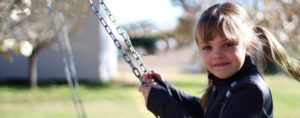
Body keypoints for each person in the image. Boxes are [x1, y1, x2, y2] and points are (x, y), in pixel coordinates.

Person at [138, 2, 300, 118]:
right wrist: (168, 90)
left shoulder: (250, 91)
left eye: (228, 44)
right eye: (207, 47)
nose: (217, 54)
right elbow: (207, 110)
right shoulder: (227, 83)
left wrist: (163, 105)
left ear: (249, 45)